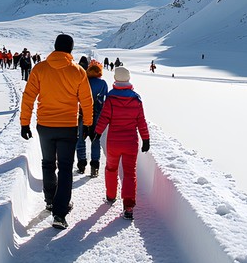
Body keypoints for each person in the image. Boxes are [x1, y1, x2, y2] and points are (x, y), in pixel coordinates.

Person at [20, 33, 93, 230]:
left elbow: (29, 97)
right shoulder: (78, 72)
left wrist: (24, 123)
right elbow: (87, 101)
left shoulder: (40, 68)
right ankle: (60, 213)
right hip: (68, 126)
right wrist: (87, 124)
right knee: (66, 167)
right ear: (70, 50)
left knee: (48, 163)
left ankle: (50, 200)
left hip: (45, 126)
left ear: (55, 47)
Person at [94, 66, 150, 220]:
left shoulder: (111, 98)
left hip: (113, 143)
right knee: (130, 173)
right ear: (128, 79)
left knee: (111, 168)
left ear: (115, 80)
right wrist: (146, 139)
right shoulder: (136, 99)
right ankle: (129, 207)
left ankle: (111, 196)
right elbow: (141, 122)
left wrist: (97, 132)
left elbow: (104, 118)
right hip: (131, 143)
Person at [77, 60, 108, 177]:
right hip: (98, 116)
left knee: (81, 139)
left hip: (82, 114)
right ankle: (94, 167)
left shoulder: (84, 81)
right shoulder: (103, 83)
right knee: (95, 141)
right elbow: (105, 101)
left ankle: (81, 164)